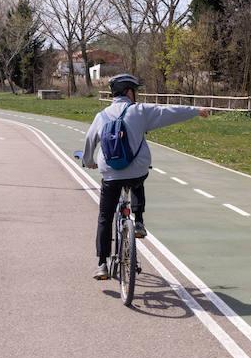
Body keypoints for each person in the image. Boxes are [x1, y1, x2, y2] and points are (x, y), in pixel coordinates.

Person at [80, 74, 210, 281]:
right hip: (136, 170)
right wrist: (196, 111)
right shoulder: (139, 111)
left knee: (105, 217)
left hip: (110, 174)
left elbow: (89, 141)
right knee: (139, 178)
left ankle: (102, 264)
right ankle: (138, 221)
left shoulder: (101, 116)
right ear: (129, 92)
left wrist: (88, 161)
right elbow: (168, 112)